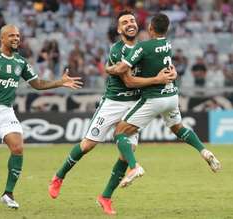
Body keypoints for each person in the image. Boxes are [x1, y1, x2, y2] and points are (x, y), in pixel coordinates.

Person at [48, 11, 177, 215]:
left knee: (127, 154)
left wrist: (171, 73)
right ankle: (59, 176)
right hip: (114, 102)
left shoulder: (146, 47)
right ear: (119, 30)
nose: (130, 24)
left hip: (135, 103)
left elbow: (163, 66)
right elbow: (128, 81)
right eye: (124, 22)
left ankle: (105, 196)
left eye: (132, 20)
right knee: (88, 145)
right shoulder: (117, 50)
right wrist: (157, 80)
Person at [0, 24, 82, 212]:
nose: (16, 38)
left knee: (18, 148)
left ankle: (9, 193)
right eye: (11, 35)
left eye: (18, 36)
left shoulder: (20, 62)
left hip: (6, 111)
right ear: (2, 38)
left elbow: (37, 84)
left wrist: (59, 83)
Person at [106, 13, 221, 189]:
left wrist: (109, 68)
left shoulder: (143, 47)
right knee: (178, 128)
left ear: (151, 28)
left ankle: (134, 167)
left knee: (120, 132)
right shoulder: (167, 45)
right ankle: (203, 150)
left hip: (154, 98)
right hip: (172, 95)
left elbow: (122, 68)